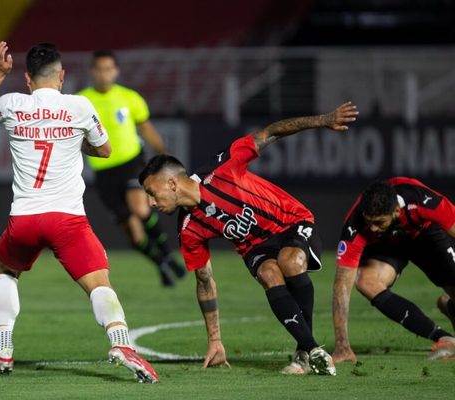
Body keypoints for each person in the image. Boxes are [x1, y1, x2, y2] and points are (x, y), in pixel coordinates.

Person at [0, 41, 159, 383]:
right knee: (99, 282)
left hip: (24, 218)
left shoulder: (12, 104)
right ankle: (121, 343)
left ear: (27, 78)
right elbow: (104, 149)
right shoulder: (79, 106)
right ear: (62, 76)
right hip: (67, 220)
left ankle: (4, 351)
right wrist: (71, 139)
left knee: (6, 271)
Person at [139, 102, 359, 375]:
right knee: (269, 273)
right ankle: (311, 349)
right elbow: (205, 281)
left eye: (152, 192)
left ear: (172, 183)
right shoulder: (187, 228)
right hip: (255, 247)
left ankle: (305, 350)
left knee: (290, 261)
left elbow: (271, 133)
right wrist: (215, 340)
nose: (150, 202)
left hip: (291, 221)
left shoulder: (224, 167)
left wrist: (323, 119)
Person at [77, 50, 185, 287]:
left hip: (131, 162)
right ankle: (162, 262)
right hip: (104, 171)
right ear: (92, 72)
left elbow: (146, 129)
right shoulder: (81, 101)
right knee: (133, 233)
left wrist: (164, 155)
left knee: (141, 208)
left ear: (115, 71)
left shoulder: (130, 97)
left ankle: (168, 254)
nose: (104, 74)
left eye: (108, 69)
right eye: (99, 69)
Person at [332, 177, 455, 363]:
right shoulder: (356, 224)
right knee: (365, 281)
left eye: (379, 222)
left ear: (396, 211)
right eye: (369, 222)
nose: (372, 228)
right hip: (387, 245)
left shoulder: (422, 200)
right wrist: (342, 346)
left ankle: (449, 304)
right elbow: (342, 283)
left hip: (425, 234)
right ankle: (443, 337)